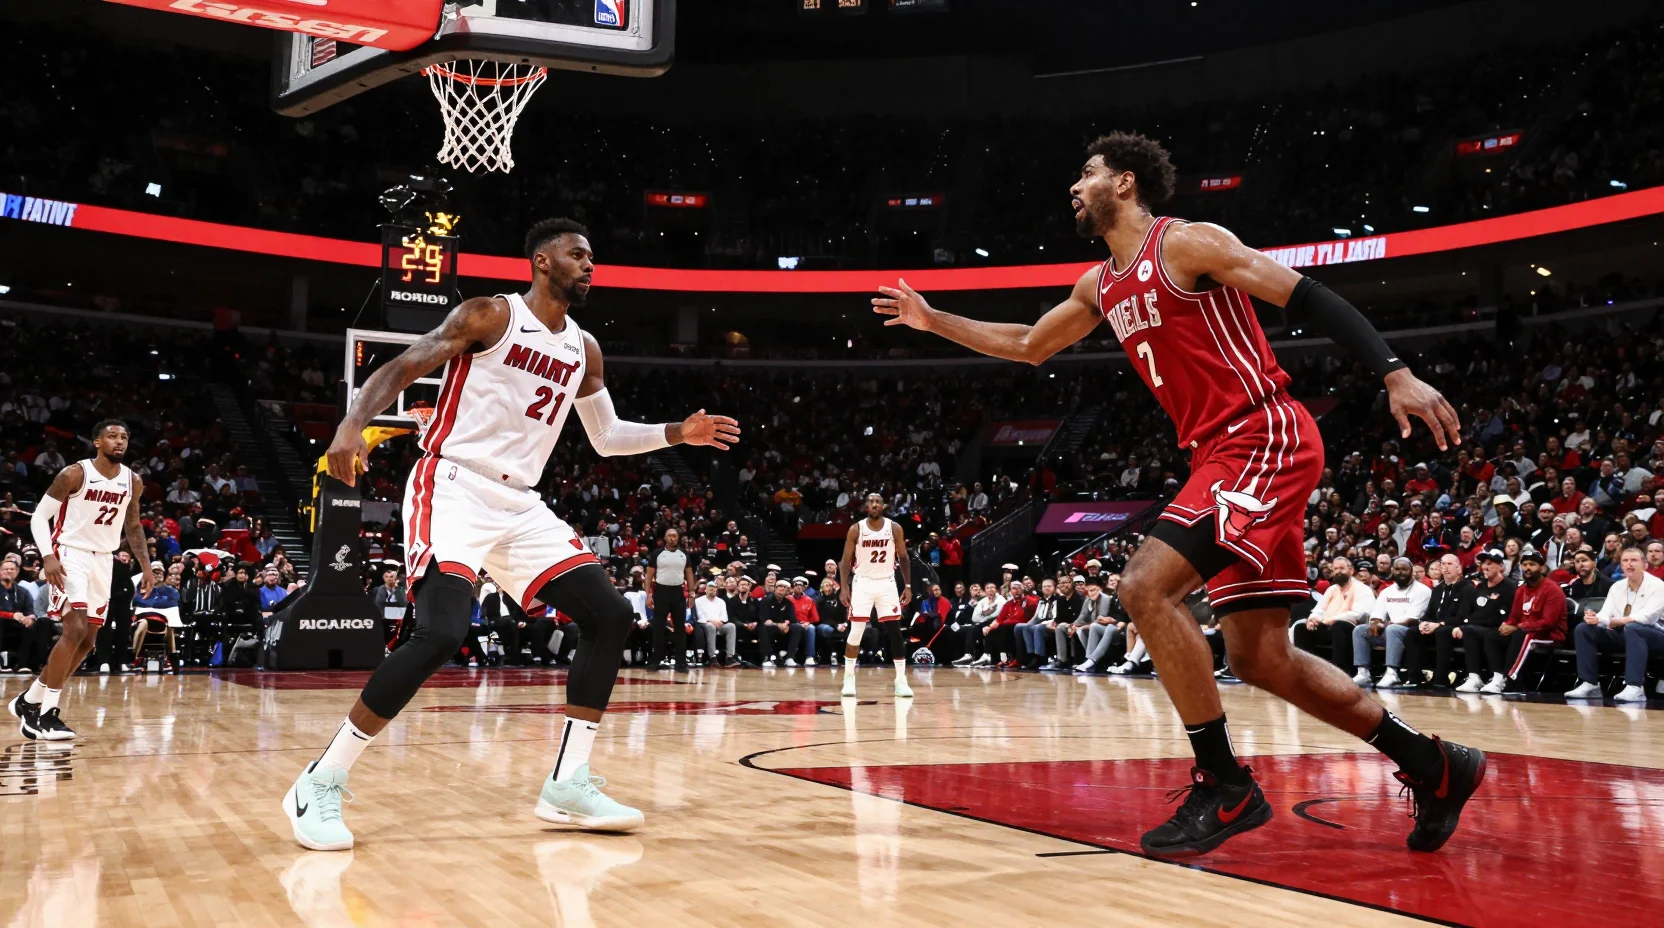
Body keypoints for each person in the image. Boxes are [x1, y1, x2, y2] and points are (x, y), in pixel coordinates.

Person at [873, 131, 1480, 857]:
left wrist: (1393, 373)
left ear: (1124, 183)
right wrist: (933, 319)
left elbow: (1305, 293)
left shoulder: (1187, 243)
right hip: (1217, 456)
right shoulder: (1099, 284)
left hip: (1265, 436)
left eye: (1086, 172)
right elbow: (1030, 344)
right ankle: (1434, 764)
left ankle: (1225, 785)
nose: (1074, 186)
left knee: (1143, 588)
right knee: (1260, 659)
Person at [285, 218, 740, 850]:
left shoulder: (585, 349)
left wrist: (675, 433)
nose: (589, 265)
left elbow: (606, 439)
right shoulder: (489, 316)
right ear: (542, 263)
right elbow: (401, 365)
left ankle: (567, 783)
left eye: (592, 256)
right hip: (454, 484)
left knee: (609, 615)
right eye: (577, 255)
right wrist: (349, 426)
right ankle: (320, 779)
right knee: (441, 632)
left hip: (519, 501)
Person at [12, 421, 157, 740]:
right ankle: (45, 713)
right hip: (70, 554)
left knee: (89, 641)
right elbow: (39, 516)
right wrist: (48, 556)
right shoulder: (74, 474)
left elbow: (133, 527)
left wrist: (145, 567)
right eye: (112, 436)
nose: (119, 442)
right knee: (74, 628)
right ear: (97, 441)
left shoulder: (132, 481)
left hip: (103, 559)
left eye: (124, 437)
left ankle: (30, 699)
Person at [837, 493, 913, 698]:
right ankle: (849, 678)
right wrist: (844, 588)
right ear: (865, 507)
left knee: (895, 631)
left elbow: (904, 558)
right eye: (871, 502)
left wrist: (907, 586)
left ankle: (900, 680)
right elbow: (844, 562)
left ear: (884, 505)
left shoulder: (894, 528)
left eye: (878, 501)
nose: (874, 504)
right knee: (857, 631)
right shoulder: (856, 529)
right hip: (862, 583)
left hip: (887, 582)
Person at [1564, 547, 1664, 703]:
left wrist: (1615, 621)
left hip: (1655, 635)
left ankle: (1635, 687)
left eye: (1634, 560)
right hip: (1624, 633)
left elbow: (1648, 618)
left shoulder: (1657, 585)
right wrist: (1596, 619)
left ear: (1644, 564)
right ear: (1621, 565)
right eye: (1625, 561)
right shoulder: (1617, 586)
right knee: (1584, 629)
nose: (1629, 564)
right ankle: (1590, 684)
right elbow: (1606, 614)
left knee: (1633, 627)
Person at [1487, 549, 1566, 693]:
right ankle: (1497, 677)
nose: (1527, 568)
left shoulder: (1552, 589)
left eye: (1532, 565)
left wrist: (1517, 627)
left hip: (1551, 635)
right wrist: (1507, 626)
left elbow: (1549, 622)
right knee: (1493, 635)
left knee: (1525, 636)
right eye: (1524, 565)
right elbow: (1514, 617)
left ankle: (1510, 680)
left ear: (1541, 567)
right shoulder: (1521, 590)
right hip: (1524, 631)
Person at [1351, 557, 1430, 688]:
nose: (1400, 572)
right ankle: (1363, 672)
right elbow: (1377, 613)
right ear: (1392, 570)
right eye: (1397, 569)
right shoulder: (1387, 591)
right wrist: (1376, 623)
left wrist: (1387, 624)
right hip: (1389, 630)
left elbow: (1413, 618)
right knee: (1360, 630)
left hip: (1412, 632)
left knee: (1393, 629)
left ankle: (1392, 673)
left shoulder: (1422, 591)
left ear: (1412, 571)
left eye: (1404, 569)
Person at [1450, 550, 1517, 693]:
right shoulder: (1480, 587)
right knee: (1468, 631)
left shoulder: (1510, 587)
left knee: (1476, 632)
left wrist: (1472, 624)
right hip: (1481, 628)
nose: (1484, 568)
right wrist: (1464, 625)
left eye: (1489, 564)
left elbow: (1502, 616)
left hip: (1502, 629)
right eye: (1482, 564)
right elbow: (1475, 612)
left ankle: (1498, 678)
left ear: (1500, 566)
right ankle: (1474, 677)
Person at [645, 528, 693, 671]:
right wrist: (648, 595)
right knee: (658, 627)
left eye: (675, 536)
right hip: (660, 592)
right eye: (670, 536)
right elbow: (648, 577)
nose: (672, 538)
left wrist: (691, 593)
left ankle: (681, 663)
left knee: (680, 628)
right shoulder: (657, 554)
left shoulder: (684, 554)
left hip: (678, 592)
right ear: (665, 539)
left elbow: (689, 574)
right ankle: (656, 661)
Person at [693, 578, 738, 667]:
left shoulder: (721, 601)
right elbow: (700, 617)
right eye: (710, 588)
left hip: (719, 624)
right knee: (711, 626)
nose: (712, 590)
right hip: (705, 624)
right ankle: (712, 657)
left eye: (714, 589)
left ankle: (730, 657)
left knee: (731, 626)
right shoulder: (698, 601)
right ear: (705, 590)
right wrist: (711, 621)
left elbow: (724, 616)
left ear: (716, 590)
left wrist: (720, 621)